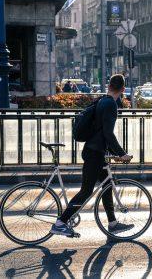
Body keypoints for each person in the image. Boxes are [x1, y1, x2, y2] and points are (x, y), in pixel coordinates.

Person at [51, 74, 133, 237]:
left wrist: (112, 153)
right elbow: (108, 134)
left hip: (96, 151)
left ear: (109, 86)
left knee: (107, 184)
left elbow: (100, 132)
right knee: (86, 191)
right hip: (94, 153)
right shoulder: (111, 105)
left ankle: (112, 223)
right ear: (123, 90)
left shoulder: (102, 100)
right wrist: (122, 154)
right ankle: (60, 223)